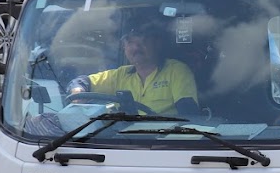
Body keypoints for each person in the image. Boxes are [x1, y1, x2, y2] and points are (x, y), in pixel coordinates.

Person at [67, 18, 199, 116]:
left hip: (167, 144)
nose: (136, 47)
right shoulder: (120, 75)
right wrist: (78, 91)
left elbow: (188, 115)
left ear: (157, 44)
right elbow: (82, 81)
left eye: (143, 41)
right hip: (123, 142)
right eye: (130, 42)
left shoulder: (177, 71)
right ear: (124, 47)